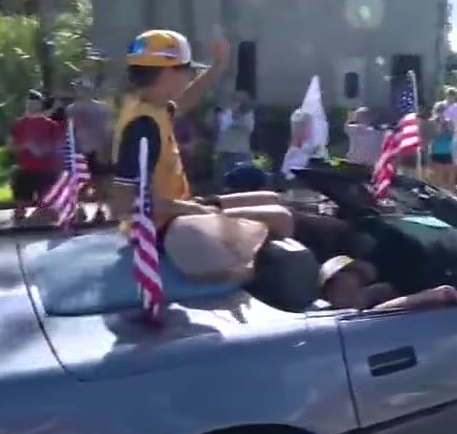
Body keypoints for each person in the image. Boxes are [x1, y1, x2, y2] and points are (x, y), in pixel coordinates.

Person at [110, 29, 298, 277]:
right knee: (281, 218)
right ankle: (262, 282)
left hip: (174, 211)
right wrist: (193, 210)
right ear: (168, 73)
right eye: (186, 70)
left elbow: (186, 100)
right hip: (163, 226)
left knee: (273, 198)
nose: (189, 77)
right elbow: (123, 203)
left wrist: (217, 67)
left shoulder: (148, 106)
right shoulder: (143, 127)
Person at [318, 255, 457, 311]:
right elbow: (370, 315)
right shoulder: (330, 315)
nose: (355, 279)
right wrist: (432, 295)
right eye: (350, 273)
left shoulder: (367, 296)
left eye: (359, 277)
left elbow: (377, 293)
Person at [10, 90, 64, 225]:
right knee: (21, 195)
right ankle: (20, 215)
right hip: (25, 168)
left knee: (45, 203)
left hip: (45, 169)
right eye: (28, 103)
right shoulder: (19, 124)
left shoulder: (51, 125)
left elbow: (57, 147)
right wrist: (23, 146)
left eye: (34, 103)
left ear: (40, 105)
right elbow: (12, 145)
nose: (31, 106)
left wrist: (40, 149)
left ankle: (45, 214)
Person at [66, 80, 115, 221]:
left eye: (83, 89)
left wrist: (107, 147)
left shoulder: (103, 108)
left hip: (98, 148)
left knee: (100, 181)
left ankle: (100, 209)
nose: (80, 91)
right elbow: (69, 131)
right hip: (78, 151)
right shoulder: (70, 109)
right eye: (78, 88)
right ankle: (79, 208)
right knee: (78, 180)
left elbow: (110, 129)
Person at [214, 90, 255, 188]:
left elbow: (248, 127)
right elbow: (221, 126)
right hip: (224, 152)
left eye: (241, 100)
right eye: (236, 100)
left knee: (241, 183)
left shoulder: (248, 115)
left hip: (240, 153)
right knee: (221, 182)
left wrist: (236, 113)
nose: (238, 103)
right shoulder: (225, 113)